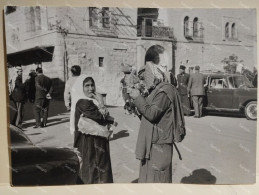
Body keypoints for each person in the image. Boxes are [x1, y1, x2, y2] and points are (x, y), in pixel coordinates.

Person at [128, 60, 185, 183]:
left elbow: (152, 114)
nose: (142, 83)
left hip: (159, 144)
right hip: (152, 143)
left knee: (157, 182)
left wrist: (138, 97)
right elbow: (148, 117)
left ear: (152, 75)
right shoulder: (155, 91)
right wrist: (136, 107)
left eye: (143, 79)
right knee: (149, 180)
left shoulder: (164, 92)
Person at [70, 75, 116, 184]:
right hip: (88, 143)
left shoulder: (91, 101)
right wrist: (101, 102)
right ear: (81, 88)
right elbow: (99, 116)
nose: (91, 88)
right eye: (87, 86)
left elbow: (104, 116)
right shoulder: (83, 102)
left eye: (92, 85)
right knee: (91, 171)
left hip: (97, 142)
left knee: (99, 169)